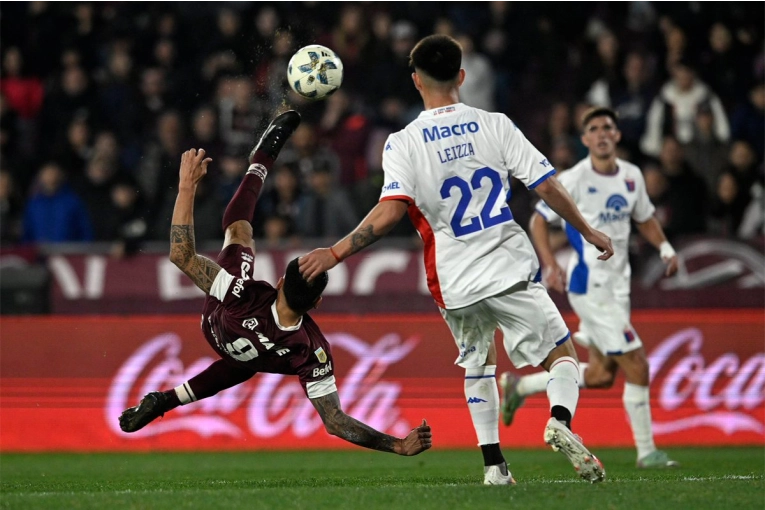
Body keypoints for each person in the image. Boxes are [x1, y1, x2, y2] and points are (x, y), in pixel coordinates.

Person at [299, 35, 613, 485]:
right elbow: (545, 185)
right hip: (507, 268)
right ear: (461, 77)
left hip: (454, 281)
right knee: (561, 356)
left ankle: (494, 468)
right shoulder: (495, 124)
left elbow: (389, 212)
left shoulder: (403, 142)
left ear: (415, 81)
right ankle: (560, 421)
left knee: (478, 363)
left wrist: (334, 253)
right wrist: (586, 229)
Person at [119, 111, 432, 458]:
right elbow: (335, 421)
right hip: (251, 350)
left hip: (218, 321)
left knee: (239, 230)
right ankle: (167, 399)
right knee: (248, 360)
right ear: (317, 305)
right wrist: (398, 444)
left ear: (280, 281)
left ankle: (261, 161)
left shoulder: (243, 291)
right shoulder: (311, 349)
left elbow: (181, 255)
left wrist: (186, 186)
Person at [500, 107, 680, 469]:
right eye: (593, 129)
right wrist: (550, 263)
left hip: (619, 286)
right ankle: (647, 452)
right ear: (585, 140)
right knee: (638, 364)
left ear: (616, 135)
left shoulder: (631, 176)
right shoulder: (576, 178)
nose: (601, 133)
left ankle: (520, 387)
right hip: (590, 286)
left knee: (600, 375)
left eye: (607, 128)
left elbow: (644, 218)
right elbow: (538, 218)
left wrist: (664, 247)